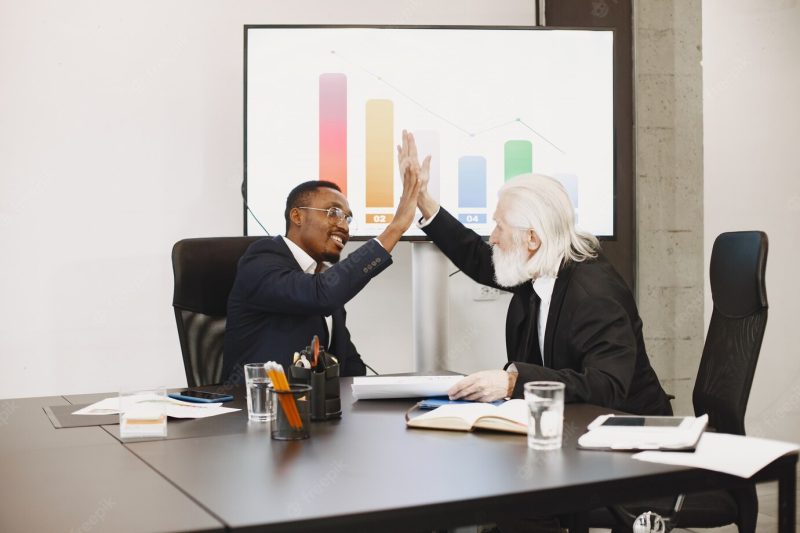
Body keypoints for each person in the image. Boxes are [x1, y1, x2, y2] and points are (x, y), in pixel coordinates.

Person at [397, 131, 671, 415]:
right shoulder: (537, 264)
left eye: (499, 227)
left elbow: (606, 386)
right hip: (568, 425)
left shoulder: (595, 294)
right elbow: (476, 256)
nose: (491, 238)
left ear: (532, 238)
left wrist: (512, 383)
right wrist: (422, 199)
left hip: (628, 435)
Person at [222, 169, 422, 382]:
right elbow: (321, 294)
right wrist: (395, 228)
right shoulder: (261, 257)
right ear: (297, 216)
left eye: (348, 218)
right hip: (257, 408)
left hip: (315, 409)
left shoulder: (322, 277)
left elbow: (350, 366)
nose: (344, 226)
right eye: (333, 213)